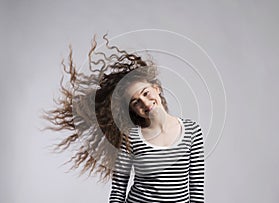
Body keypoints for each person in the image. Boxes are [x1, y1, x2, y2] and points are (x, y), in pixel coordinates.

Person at [42, 34, 205, 202]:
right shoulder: (130, 138)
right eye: (136, 102)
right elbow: (119, 190)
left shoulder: (192, 131)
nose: (145, 103)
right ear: (133, 110)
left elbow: (197, 191)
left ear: (156, 89)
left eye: (146, 93)